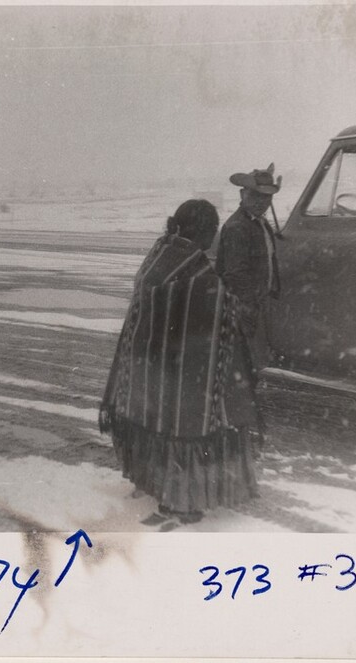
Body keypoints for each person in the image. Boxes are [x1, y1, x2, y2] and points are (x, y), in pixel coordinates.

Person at [99, 200, 260, 524]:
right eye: (212, 231)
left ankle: (152, 482)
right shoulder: (196, 269)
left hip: (147, 366)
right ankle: (180, 502)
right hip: (181, 369)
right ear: (205, 232)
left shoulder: (160, 253)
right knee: (187, 427)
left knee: (153, 423)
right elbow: (215, 311)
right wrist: (237, 309)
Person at [215, 163, 281, 362]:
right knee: (243, 357)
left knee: (251, 358)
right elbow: (236, 273)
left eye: (267, 197)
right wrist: (248, 305)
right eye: (256, 196)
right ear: (243, 194)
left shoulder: (258, 221)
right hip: (243, 304)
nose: (262, 202)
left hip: (257, 300)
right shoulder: (238, 227)